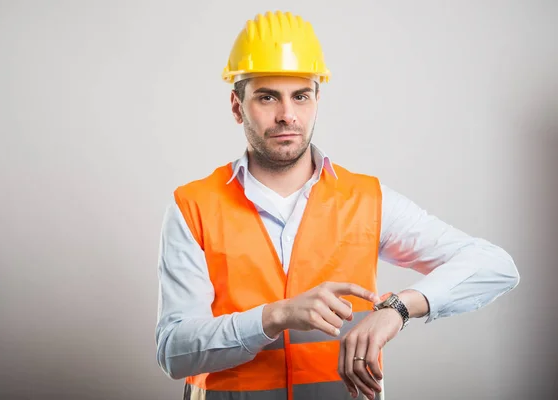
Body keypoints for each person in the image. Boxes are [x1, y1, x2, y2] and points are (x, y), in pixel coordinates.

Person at [155, 10, 520, 400]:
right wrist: (276, 315)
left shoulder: (367, 199)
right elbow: (174, 351)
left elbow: (495, 267)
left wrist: (398, 308)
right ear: (236, 106)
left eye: (300, 96)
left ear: (316, 100)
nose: (287, 115)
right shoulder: (194, 206)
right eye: (266, 97)